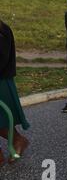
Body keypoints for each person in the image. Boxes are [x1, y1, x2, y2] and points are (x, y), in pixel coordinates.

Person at [0, 19, 30, 164]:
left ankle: (18, 140)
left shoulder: (3, 30)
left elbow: (2, 59)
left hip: (2, 81)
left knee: (2, 118)